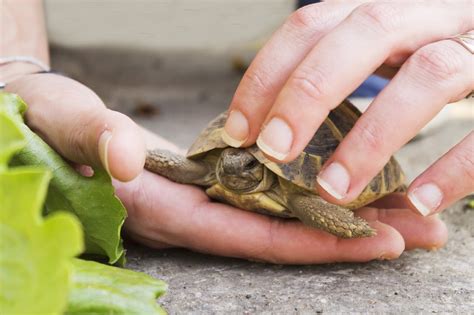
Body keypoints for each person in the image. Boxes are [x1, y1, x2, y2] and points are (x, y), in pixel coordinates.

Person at [2, 0, 472, 264]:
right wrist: (13, 67)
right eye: (231, 160)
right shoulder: (221, 167)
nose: (231, 165)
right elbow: (187, 168)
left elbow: (305, 199)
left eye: (244, 163)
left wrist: (351, 224)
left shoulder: (297, 193)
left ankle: (375, 70)